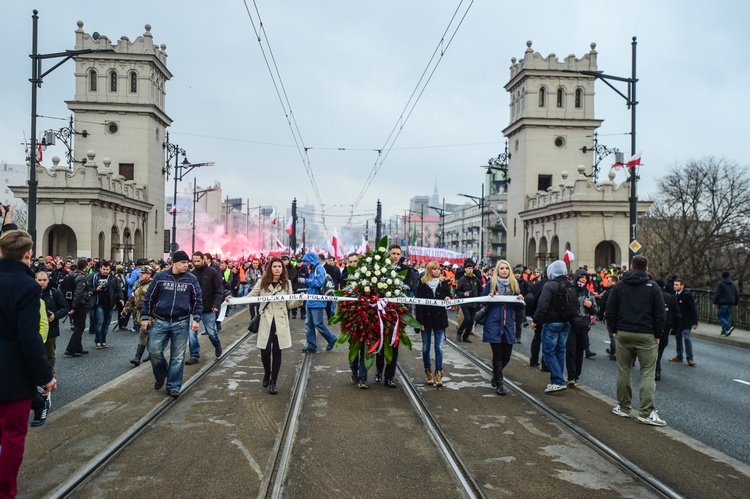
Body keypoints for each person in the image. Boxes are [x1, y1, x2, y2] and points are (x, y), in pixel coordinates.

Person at [0, 229, 57, 498]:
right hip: (12, 375)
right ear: (27, 254)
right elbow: (28, 337)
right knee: (12, 435)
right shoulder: (27, 286)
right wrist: (45, 376)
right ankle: (5, 491)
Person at [606, 255, 667, 426]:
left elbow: (610, 310)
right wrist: (657, 334)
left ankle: (624, 408)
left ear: (631, 267)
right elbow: (660, 314)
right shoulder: (653, 287)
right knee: (648, 373)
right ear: (647, 269)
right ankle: (646, 412)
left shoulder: (619, 286)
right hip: (646, 334)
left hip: (624, 332)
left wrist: (614, 330)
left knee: (623, 370)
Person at [141, 250, 203, 398]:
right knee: (154, 351)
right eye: (183, 263)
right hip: (161, 320)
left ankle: (173, 385)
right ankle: (161, 374)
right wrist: (145, 316)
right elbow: (150, 297)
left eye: (187, 263)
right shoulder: (161, 277)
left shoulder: (191, 279)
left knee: (178, 357)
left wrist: (196, 318)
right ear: (174, 262)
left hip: (181, 321)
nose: (186, 265)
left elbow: (197, 300)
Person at [249, 257, 302, 394]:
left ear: (282, 269)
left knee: (277, 351)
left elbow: (289, 303)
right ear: (270, 268)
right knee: (265, 351)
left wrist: (299, 300)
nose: (277, 268)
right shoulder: (262, 282)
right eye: (274, 266)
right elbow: (251, 297)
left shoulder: (287, 283)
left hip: (280, 321)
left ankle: (273, 381)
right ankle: (267, 373)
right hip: (266, 321)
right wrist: (233, 299)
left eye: (279, 266)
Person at [482, 260, 525, 395]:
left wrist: (519, 299)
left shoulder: (514, 285)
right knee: (498, 354)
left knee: (507, 355)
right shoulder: (491, 284)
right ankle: (500, 383)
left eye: (507, 268)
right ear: (497, 270)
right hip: (494, 322)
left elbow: (519, 308)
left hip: (508, 323)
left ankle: (496, 374)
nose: (505, 270)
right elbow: (481, 300)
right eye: (502, 268)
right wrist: (488, 297)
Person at [375, 244, 413, 388]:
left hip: (396, 312)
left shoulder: (406, 270)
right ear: (389, 254)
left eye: (398, 254)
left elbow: (406, 289)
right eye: (393, 253)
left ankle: (389, 376)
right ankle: (379, 370)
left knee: (394, 343)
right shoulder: (380, 269)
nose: (396, 256)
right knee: (380, 340)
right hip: (381, 310)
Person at [532, 260, 572, 393]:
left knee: (549, 352)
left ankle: (558, 380)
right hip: (566, 323)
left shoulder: (550, 285)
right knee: (560, 352)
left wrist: (536, 320)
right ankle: (558, 379)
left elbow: (542, 306)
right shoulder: (569, 285)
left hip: (552, 322)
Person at [414, 261, 452, 387]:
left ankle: (439, 372)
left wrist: (447, 298)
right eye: (434, 269)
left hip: (439, 320)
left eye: (438, 269)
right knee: (425, 348)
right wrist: (419, 322)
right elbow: (418, 304)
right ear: (429, 270)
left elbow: (449, 296)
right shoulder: (422, 282)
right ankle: (428, 370)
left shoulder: (444, 282)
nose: (437, 271)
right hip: (426, 319)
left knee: (439, 348)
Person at [185, 251, 225, 365]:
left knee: (211, 332)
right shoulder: (191, 274)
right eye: (194, 261)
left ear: (203, 259)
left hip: (209, 308)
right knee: (192, 333)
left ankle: (217, 345)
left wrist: (216, 305)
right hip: (194, 308)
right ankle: (194, 355)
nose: (196, 263)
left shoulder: (212, 272)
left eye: (198, 261)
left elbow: (219, 290)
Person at [299, 251, 338, 353]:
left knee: (318, 323)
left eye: (307, 262)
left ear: (311, 260)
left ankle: (331, 338)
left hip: (318, 300)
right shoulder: (313, 269)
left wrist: (306, 281)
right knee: (309, 324)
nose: (306, 264)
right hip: (312, 300)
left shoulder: (319, 268)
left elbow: (319, 282)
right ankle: (311, 345)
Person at [565, 269, 597, 387]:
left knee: (579, 351)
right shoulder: (570, 291)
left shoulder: (589, 293)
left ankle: (576, 375)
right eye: (581, 277)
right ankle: (571, 376)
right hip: (571, 325)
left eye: (585, 278)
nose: (583, 280)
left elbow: (594, 311)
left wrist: (590, 307)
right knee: (571, 351)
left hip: (583, 325)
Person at [86, 260, 125, 349]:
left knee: (107, 323)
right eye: (104, 269)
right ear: (100, 268)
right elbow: (88, 288)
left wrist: (121, 298)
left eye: (107, 269)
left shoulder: (113, 278)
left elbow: (118, 289)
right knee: (100, 322)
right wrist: (96, 289)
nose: (105, 271)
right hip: (98, 302)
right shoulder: (94, 277)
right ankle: (97, 341)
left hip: (110, 303)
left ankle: (103, 340)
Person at [37, 271, 69, 375]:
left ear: (48, 280)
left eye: (44, 280)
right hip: (34, 328)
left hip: (51, 328)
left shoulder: (55, 292)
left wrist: (54, 315)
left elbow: (65, 308)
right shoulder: (29, 293)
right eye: (39, 280)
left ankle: (48, 374)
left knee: (49, 354)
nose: (42, 282)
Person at [122, 266, 154, 366]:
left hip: (151, 314)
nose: (140, 275)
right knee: (145, 334)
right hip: (139, 313)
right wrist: (125, 310)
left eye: (143, 273)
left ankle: (139, 357)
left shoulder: (153, 285)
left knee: (145, 334)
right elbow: (132, 297)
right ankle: (146, 355)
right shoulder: (137, 283)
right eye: (140, 273)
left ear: (149, 274)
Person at [64, 259, 91, 357]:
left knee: (77, 325)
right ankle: (70, 349)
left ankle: (78, 348)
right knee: (80, 327)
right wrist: (74, 307)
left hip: (72, 303)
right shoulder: (82, 277)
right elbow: (78, 293)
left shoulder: (73, 275)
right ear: (85, 267)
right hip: (80, 304)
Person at [655, 279, 681, 380]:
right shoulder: (670, 297)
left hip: (652, 325)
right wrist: (676, 328)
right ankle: (657, 366)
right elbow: (677, 314)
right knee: (661, 347)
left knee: (652, 347)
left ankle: (655, 367)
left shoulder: (652, 296)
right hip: (666, 325)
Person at [671, 279, 698, 367]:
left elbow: (692, 309)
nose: (675, 286)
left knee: (687, 339)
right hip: (677, 322)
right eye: (674, 284)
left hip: (686, 321)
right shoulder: (673, 295)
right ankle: (679, 356)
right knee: (678, 338)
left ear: (682, 286)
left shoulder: (687, 296)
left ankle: (690, 358)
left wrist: (695, 322)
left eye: (677, 285)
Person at [455, 259, 482, 343]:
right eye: (468, 268)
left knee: (471, 321)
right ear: (465, 269)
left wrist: (480, 299)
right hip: (465, 303)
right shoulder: (462, 279)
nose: (470, 270)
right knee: (467, 318)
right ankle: (459, 332)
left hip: (474, 303)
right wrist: (463, 294)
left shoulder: (476, 279)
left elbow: (480, 290)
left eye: (471, 268)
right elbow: (458, 291)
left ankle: (466, 336)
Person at [714, 271, 739, 337]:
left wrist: (715, 302)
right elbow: (736, 294)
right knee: (726, 317)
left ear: (722, 276)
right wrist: (736, 303)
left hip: (722, 302)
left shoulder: (721, 284)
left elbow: (718, 294)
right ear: (729, 276)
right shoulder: (733, 284)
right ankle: (724, 332)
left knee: (720, 316)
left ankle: (728, 327)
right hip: (731, 302)